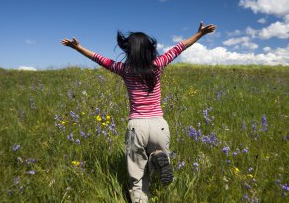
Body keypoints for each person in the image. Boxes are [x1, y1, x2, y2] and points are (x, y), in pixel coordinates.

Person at [62, 22, 216, 203]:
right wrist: (199, 34)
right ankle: (156, 160)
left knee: (138, 179)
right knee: (155, 164)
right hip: (159, 125)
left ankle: (145, 186)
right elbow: (179, 48)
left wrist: (78, 47)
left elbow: (99, 58)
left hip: (137, 126)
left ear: (129, 51)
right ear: (149, 49)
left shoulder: (125, 70)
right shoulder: (158, 65)